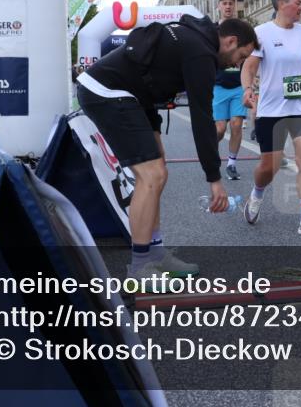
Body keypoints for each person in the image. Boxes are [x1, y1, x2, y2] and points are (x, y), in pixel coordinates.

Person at [76, 15, 257, 282]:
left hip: (133, 95)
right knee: (151, 176)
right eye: (242, 55)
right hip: (107, 92)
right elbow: (202, 118)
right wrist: (214, 178)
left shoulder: (195, 38)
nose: (239, 63)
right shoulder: (202, 53)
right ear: (230, 41)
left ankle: (156, 252)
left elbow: (148, 77)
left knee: (159, 170)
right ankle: (139, 268)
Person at [240, 0, 301, 238]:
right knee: (270, 167)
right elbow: (249, 68)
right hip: (271, 110)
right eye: (298, 2)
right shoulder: (262, 33)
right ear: (281, 4)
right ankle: (257, 193)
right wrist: (247, 90)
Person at [212, 0, 247, 180]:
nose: (228, 6)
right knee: (219, 129)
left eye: (230, 4)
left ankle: (232, 164)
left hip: (238, 86)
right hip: (218, 86)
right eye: (224, 3)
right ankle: (212, 154)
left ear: (234, 7)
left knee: (236, 124)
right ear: (219, 6)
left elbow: (250, 52)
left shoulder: (242, 30)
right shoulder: (212, 29)